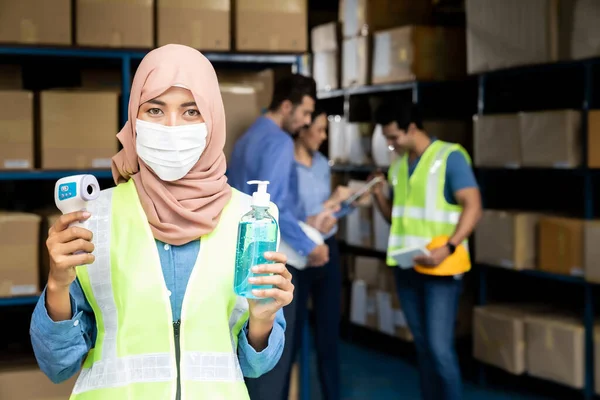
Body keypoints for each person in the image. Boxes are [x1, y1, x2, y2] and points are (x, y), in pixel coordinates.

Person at [29, 44, 294, 400]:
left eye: (190, 111)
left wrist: (262, 318)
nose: (172, 127)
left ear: (213, 119)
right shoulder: (94, 216)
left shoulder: (251, 219)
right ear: (133, 120)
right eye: (155, 109)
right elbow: (56, 364)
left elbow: (256, 365)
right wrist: (58, 285)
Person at [227, 75, 331, 400]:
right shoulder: (281, 142)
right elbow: (272, 208)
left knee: (242, 349)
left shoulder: (247, 138)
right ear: (287, 106)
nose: (306, 121)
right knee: (271, 359)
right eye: (304, 112)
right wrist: (310, 244)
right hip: (268, 258)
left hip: (238, 256)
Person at [371, 102, 482, 400]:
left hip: (440, 269)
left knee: (439, 349)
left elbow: (474, 206)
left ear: (412, 128)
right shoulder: (398, 166)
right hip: (407, 267)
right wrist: (379, 196)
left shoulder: (450, 157)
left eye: (394, 138)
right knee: (422, 346)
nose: (391, 145)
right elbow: (398, 218)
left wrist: (449, 246)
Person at [289, 105, 354, 400]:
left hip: (328, 250)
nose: (323, 136)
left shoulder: (322, 163)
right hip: (299, 255)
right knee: (290, 334)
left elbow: (324, 213)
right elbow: (287, 215)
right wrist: (322, 211)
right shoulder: (285, 165)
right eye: (319, 129)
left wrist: (341, 202)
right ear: (301, 129)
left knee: (329, 333)